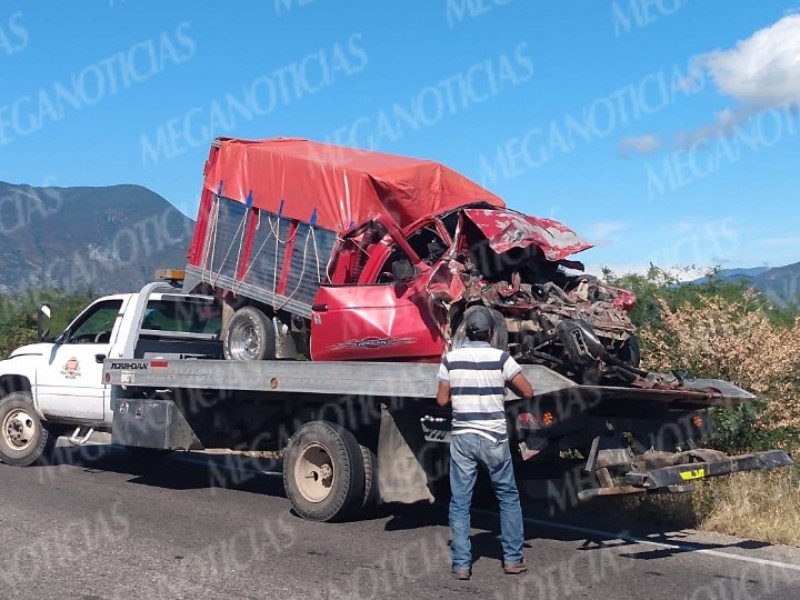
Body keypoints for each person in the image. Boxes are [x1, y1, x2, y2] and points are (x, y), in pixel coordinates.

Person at [436, 306, 534, 580]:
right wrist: (501, 387)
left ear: (467, 331)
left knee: (460, 502)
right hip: (494, 438)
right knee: (508, 498)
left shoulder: (450, 359)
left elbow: (442, 400)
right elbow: (527, 390)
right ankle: (512, 560)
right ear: (491, 333)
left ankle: (461, 565)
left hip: (463, 438)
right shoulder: (501, 358)